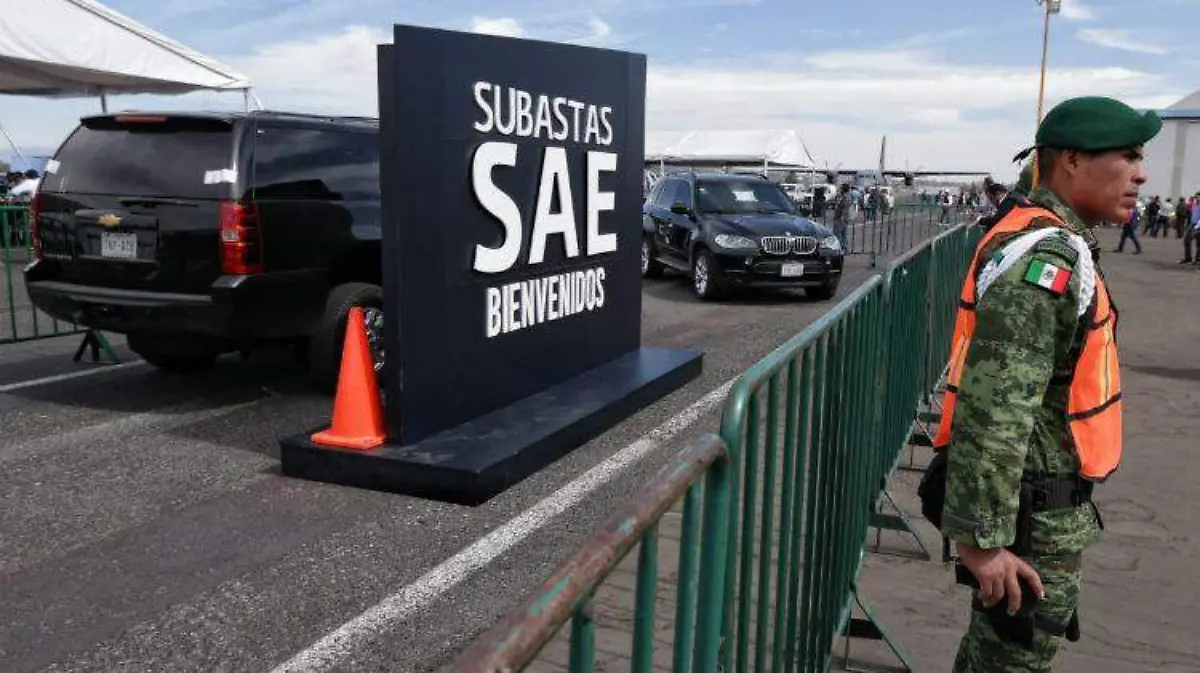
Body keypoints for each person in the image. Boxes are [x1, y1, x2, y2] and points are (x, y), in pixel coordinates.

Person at [934, 96, 1158, 672]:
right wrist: (982, 543)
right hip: (1031, 527)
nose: (1141, 173)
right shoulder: (1049, 257)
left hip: (1035, 516)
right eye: (1129, 156)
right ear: (1073, 161)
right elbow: (996, 405)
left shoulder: (1053, 239)